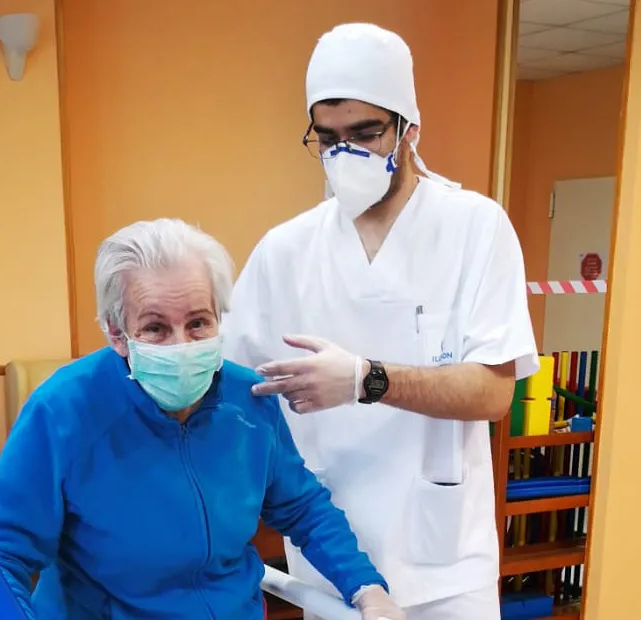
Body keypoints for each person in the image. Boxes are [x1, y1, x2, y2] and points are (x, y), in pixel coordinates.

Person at [222, 23, 538, 620]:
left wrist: (367, 379)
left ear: (409, 128)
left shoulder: (475, 228)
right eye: (328, 137)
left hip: (444, 565)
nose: (346, 152)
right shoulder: (285, 250)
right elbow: (234, 387)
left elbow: (493, 392)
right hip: (333, 561)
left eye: (366, 133)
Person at [0, 218, 405, 620]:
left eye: (198, 323)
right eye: (155, 327)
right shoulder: (64, 409)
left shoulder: (248, 399)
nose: (181, 344)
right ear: (117, 332)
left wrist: (367, 590)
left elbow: (302, 507)